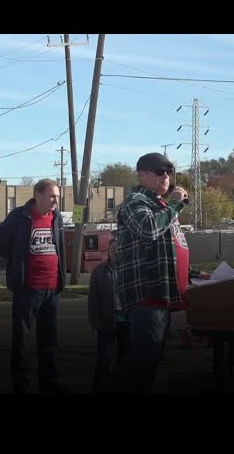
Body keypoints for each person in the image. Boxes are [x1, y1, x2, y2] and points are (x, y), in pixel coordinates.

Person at [103, 152, 191, 393]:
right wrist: (175, 204)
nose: (166, 176)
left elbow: (170, 248)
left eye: (169, 172)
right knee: (144, 355)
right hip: (146, 291)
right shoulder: (135, 201)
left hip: (163, 294)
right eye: (159, 171)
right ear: (142, 175)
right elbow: (148, 229)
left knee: (151, 361)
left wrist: (192, 273)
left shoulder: (160, 205)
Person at [0, 178, 68, 394]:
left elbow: (59, 246)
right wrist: (15, 259)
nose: (55, 201)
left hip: (52, 288)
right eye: (52, 196)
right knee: (22, 339)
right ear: (38, 195)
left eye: (58, 197)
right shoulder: (20, 216)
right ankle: (22, 382)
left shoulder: (56, 217)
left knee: (49, 338)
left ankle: (49, 381)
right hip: (28, 288)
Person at [87, 238, 131, 390]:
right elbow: (93, 300)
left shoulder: (130, 270)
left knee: (124, 359)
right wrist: (97, 322)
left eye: (119, 248)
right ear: (109, 251)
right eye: (113, 249)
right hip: (106, 323)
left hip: (126, 322)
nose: (116, 251)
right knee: (103, 360)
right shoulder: (99, 271)